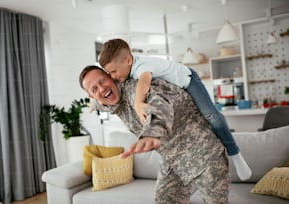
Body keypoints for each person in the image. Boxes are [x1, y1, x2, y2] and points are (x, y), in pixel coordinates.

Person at [97, 38, 251, 180]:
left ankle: (235, 154)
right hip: (176, 91)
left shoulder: (141, 67)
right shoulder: (127, 71)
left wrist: (138, 103)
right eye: (108, 73)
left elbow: (144, 82)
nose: (112, 77)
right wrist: (95, 102)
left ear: (128, 60)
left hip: (188, 80)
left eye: (113, 72)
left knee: (212, 116)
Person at [79, 65, 229, 204]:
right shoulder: (106, 101)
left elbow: (159, 106)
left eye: (102, 81)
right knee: (164, 200)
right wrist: (94, 105)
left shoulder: (135, 89)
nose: (101, 88)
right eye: (94, 89)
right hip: (174, 159)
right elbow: (101, 101)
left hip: (204, 152)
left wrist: (151, 134)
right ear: (92, 96)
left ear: (111, 77)